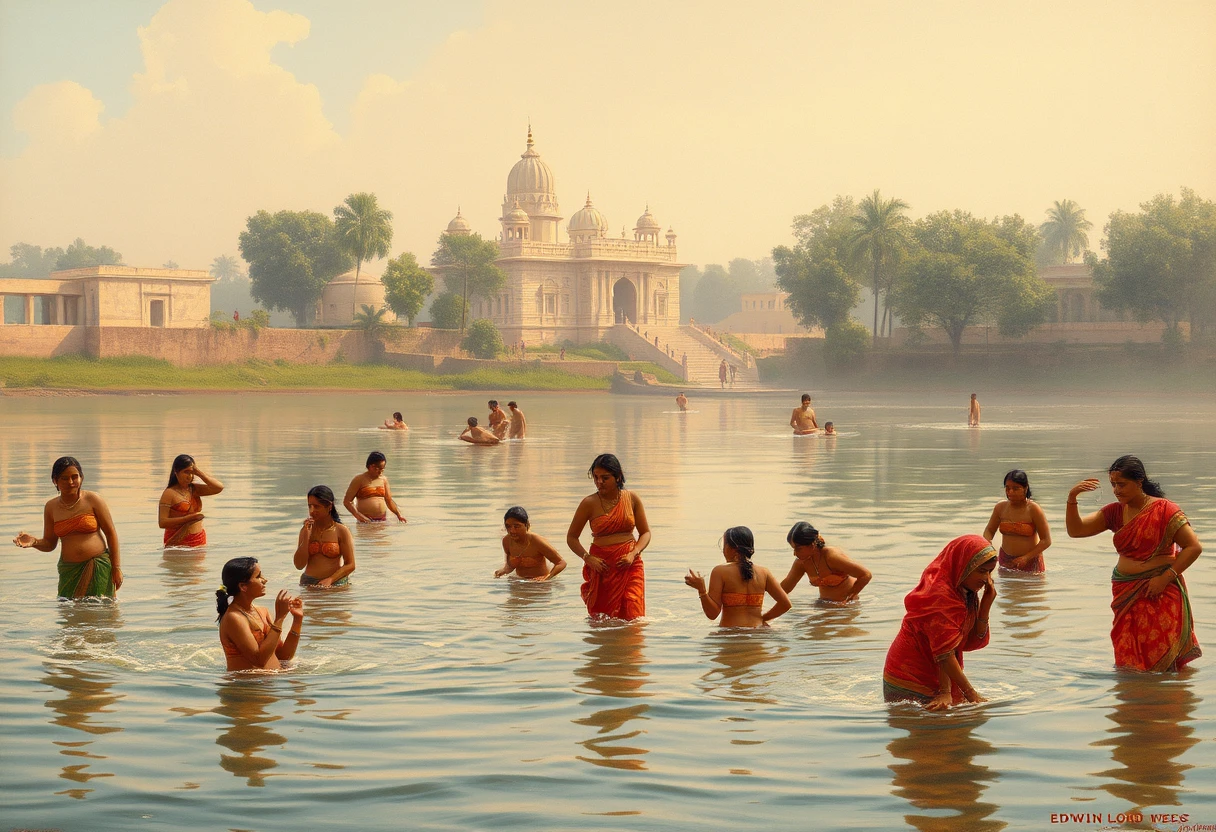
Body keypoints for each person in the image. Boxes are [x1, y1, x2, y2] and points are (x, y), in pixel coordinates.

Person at [1065, 455, 1202, 672]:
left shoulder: (1165, 510)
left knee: (1162, 658)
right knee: (1128, 661)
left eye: (1122, 484)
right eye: (1113, 485)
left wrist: (1164, 578)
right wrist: (1072, 498)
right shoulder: (1116, 511)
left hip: (1159, 591)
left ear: (1139, 482)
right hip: (1125, 592)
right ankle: (1133, 701)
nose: (1117, 490)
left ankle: (1169, 703)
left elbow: (1193, 547)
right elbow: (1076, 530)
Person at [883, 535, 997, 710]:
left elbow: (969, 642)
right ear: (963, 567)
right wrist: (970, 694)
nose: (986, 579)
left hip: (936, 673)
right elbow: (944, 653)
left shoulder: (964, 593)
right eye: (981, 571)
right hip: (909, 678)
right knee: (938, 734)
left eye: (990, 572)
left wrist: (986, 605)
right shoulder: (941, 596)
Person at [14, 456, 123, 599]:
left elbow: (111, 533)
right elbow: (50, 543)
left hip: (98, 566)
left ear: (81, 478)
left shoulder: (93, 500)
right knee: (70, 616)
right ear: (55, 481)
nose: (70, 482)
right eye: (64, 478)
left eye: (74, 477)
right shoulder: (51, 507)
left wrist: (116, 568)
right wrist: (34, 542)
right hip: (69, 571)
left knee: (102, 614)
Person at [566, 453, 652, 620]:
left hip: (629, 563)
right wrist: (588, 558)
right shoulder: (588, 503)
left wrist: (633, 553)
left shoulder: (632, 498)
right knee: (602, 618)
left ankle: (632, 645)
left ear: (618, 477)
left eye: (605, 478)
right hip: (602, 566)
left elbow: (645, 533)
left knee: (632, 611)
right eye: (596, 477)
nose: (599, 482)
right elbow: (571, 537)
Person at [685, 526, 791, 627]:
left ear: (733, 549)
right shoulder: (764, 572)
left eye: (724, 546)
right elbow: (785, 604)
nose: (723, 551)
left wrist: (702, 590)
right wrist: (762, 619)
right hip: (757, 635)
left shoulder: (720, 571)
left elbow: (712, 615)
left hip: (731, 635)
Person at [216, 557, 304, 671]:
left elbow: (283, 657)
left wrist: (297, 620)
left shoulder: (263, 612)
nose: (264, 580)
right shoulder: (233, 617)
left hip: (268, 684)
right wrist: (280, 618)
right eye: (258, 576)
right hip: (246, 686)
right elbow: (259, 661)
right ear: (243, 586)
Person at [781, 521, 871, 603]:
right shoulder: (801, 563)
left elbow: (865, 575)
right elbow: (785, 588)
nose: (795, 553)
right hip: (823, 604)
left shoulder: (831, 556)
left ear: (812, 544)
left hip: (847, 607)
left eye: (798, 548)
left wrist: (849, 599)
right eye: (793, 549)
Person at [982, 469, 1050, 572]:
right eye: (1007, 488)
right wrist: (988, 550)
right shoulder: (1000, 508)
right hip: (1005, 561)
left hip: (1030, 562)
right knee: (1006, 587)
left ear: (1025, 488)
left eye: (1015, 488)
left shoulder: (1033, 509)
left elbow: (1046, 540)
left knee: (1031, 588)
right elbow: (989, 531)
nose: (1010, 492)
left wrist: (1025, 558)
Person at [293, 485, 356, 588]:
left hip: (335, 583)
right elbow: (299, 565)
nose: (312, 511)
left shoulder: (341, 530)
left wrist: (330, 580)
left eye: (316, 506)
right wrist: (306, 536)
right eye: (310, 506)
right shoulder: (306, 530)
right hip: (308, 582)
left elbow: (350, 565)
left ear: (329, 506)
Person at [158, 454, 224, 548]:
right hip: (178, 543)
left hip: (199, 539)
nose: (190, 476)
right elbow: (162, 522)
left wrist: (199, 472)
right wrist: (190, 518)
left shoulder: (194, 489)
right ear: (176, 472)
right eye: (186, 472)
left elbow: (219, 488)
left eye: (192, 472)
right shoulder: (169, 493)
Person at [495, 506, 566, 581]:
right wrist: (503, 570)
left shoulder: (537, 541)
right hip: (519, 582)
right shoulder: (506, 541)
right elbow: (509, 566)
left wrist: (548, 577)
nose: (512, 531)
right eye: (508, 526)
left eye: (516, 526)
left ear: (526, 525)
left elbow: (561, 563)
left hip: (540, 585)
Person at [343, 451, 405, 523]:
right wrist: (358, 516)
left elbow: (389, 501)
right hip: (365, 520)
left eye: (383, 469)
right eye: (378, 469)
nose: (380, 472)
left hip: (382, 520)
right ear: (371, 466)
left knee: (382, 534)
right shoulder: (359, 479)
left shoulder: (384, 480)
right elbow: (347, 502)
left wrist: (398, 514)